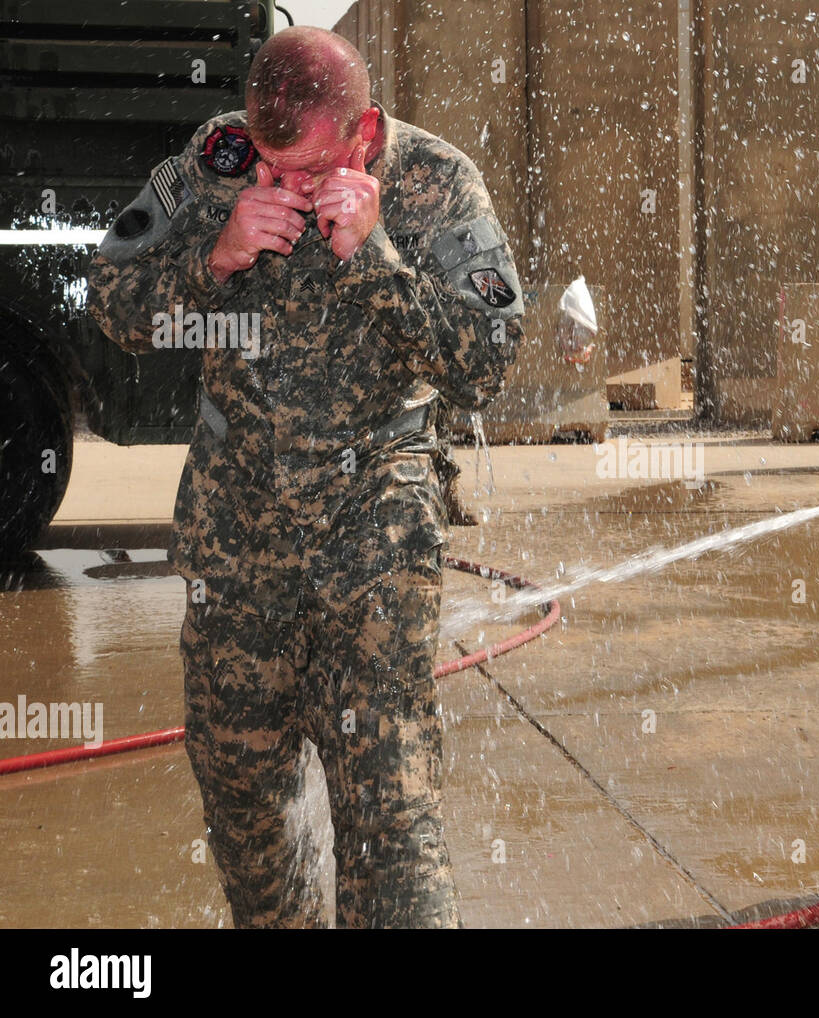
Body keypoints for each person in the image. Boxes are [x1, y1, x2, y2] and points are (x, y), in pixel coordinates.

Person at [86, 26, 524, 927]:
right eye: (271, 171)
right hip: (236, 528)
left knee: (389, 810)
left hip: (376, 525)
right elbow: (112, 303)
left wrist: (375, 258)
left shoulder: (439, 183)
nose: (281, 189)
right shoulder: (218, 160)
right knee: (239, 791)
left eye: (308, 173)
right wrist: (212, 259)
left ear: (364, 134)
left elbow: (485, 363)